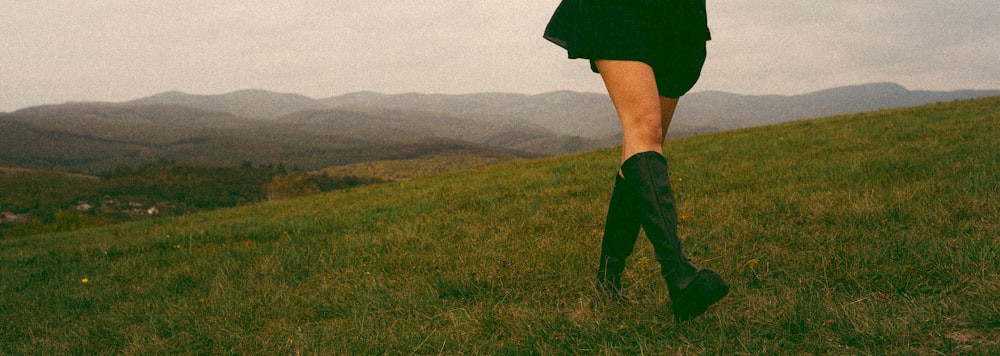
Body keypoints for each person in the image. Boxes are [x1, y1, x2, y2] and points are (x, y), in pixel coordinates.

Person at [543, 0, 729, 322]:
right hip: (620, 9)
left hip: (678, 15)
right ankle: (680, 276)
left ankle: (607, 283)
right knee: (644, 127)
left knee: (644, 147)